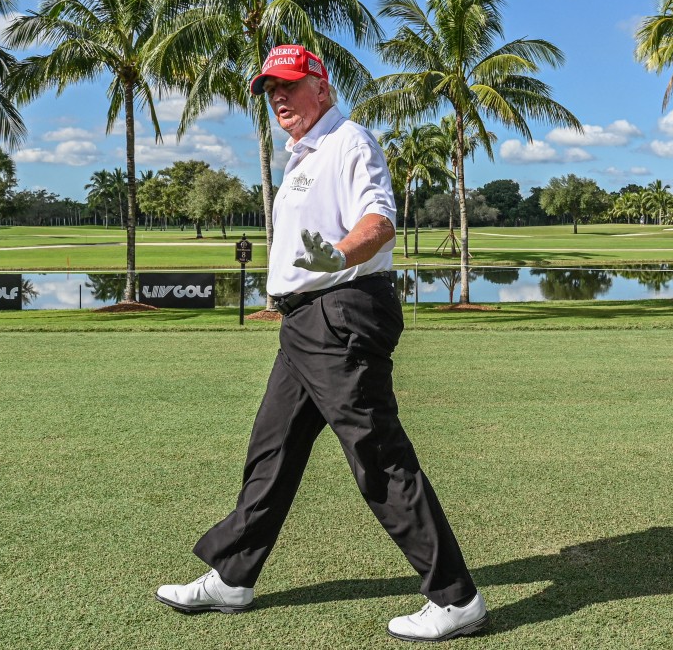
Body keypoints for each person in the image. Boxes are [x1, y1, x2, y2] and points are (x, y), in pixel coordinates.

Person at [155, 45, 488, 643]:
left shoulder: (348, 141)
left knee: (377, 454)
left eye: (288, 84)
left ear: (322, 88)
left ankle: (455, 596)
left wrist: (337, 253)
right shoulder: (304, 154)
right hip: (306, 320)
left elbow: (379, 220)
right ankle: (234, 576)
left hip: (342, 310)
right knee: (273, 448)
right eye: (268, 89)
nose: (277, 97)